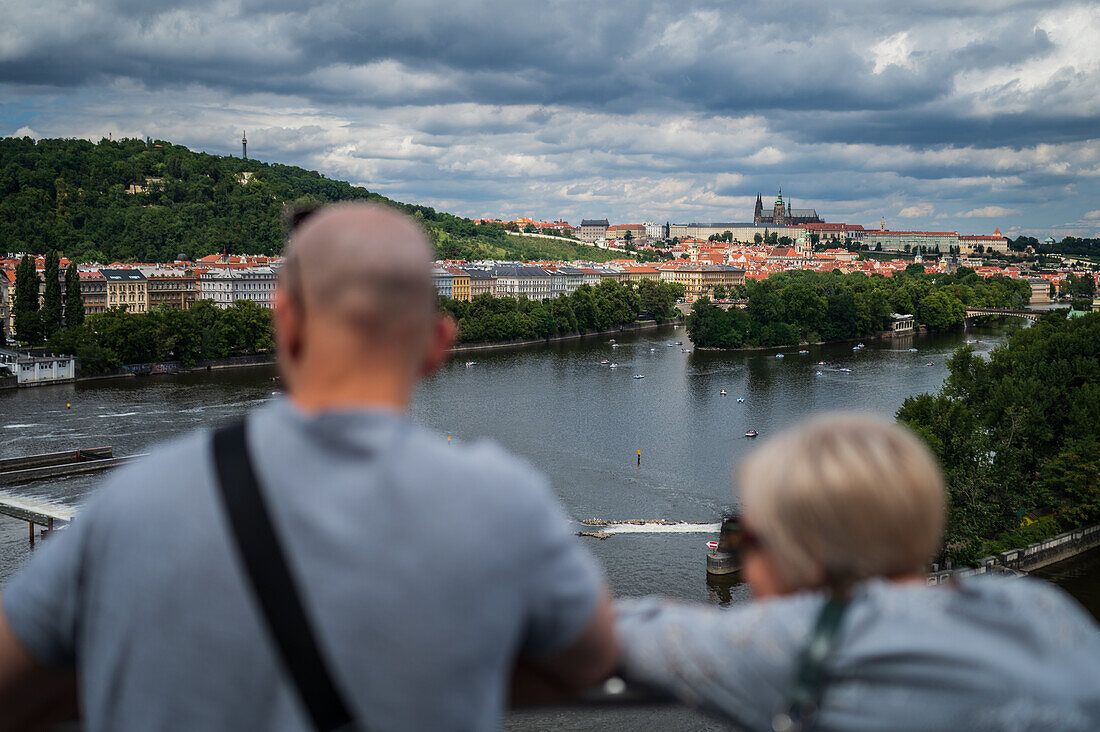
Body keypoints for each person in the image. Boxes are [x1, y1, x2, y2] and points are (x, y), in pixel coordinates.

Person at [0, 203, 617, 731]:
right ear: (437, 343)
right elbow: (590, 659)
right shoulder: (504, 502)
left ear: (285, 324)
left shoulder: (131, 500)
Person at [617, 413, 1100, 731]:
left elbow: (602, 635)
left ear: (804, 555)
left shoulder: (794, 643)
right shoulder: (1039, 609)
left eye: (753, 540)